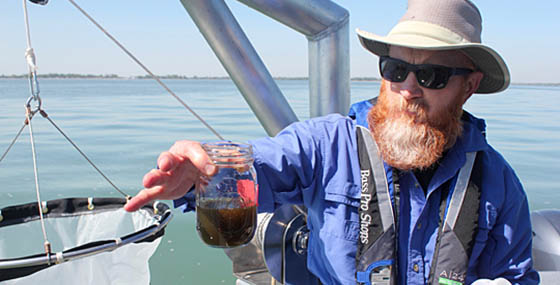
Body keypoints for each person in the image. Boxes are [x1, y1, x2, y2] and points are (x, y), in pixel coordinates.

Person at [124, 0, 539, 284]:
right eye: (395, 69)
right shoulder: (327, 143)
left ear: (469, 86)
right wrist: (204, 172)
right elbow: (262, 165)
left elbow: (515, 275)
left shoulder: (500, 185)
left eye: (431, 76)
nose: (408, 89)